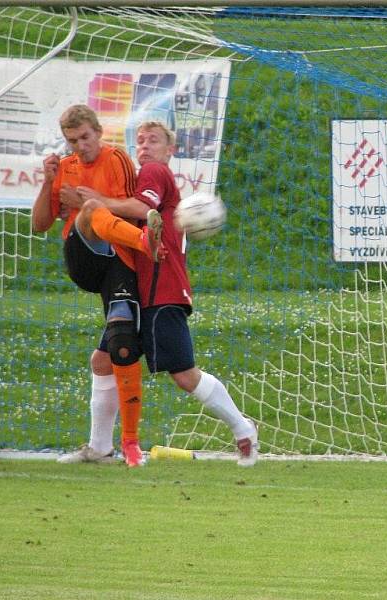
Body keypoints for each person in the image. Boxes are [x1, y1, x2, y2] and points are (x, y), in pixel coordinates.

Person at [74, 120, 258, 467]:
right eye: (140, 141)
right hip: (140, 292)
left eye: (154, 140)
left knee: (185, 375)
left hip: (161, 291)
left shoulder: (155, 172)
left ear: (170, 151)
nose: (144, 146)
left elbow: (144, 209)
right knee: (102, 361)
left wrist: (98, 202)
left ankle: (243, 428)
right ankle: (99, 448)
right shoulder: (144, 176)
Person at [32, 104, 161, 468]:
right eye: (72, 141)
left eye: (85, 138)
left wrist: (93, 200)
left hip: (116, 264)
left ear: (99, 132)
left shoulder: (116, 158)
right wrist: (48, 182)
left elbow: (130, 205)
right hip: (84, 256)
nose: (79, 147)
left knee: (117, 351)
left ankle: (117, 448)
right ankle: (145, 242)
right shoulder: (66, 167)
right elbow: (40, 224)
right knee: (89, 212)